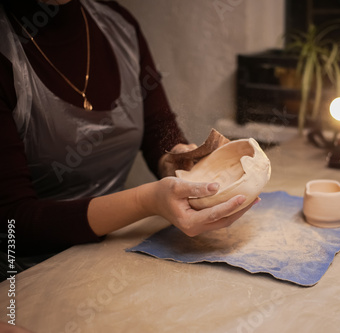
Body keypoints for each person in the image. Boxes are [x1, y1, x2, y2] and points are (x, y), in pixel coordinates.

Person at [0, 0, 256, 275]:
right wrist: (144, 202)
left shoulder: (117, 24)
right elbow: (13, 222)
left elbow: (157, 126)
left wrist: (177, 159)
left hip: (112, 249)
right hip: (26, 275)